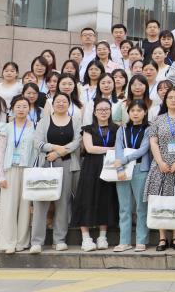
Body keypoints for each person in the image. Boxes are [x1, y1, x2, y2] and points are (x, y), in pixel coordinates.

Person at [29, 89, 81, 253]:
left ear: (69, 104)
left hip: (67, 165)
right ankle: (37, 241)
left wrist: (58, 153)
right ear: (53, 104)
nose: (61, 104)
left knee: (63, 203)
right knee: (41, 202)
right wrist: (54, 147)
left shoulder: (75, 121)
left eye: (64, 101)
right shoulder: (44, 121)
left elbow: (77, 141)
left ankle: (59, 240)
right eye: (58, 101)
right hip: (46, 164)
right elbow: (37, 142)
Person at [71, 98, 120, 251]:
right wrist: (111, 149)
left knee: (106, 199)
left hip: (110, 167)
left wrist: (107, 149)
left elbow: (119, 147)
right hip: (91, 167)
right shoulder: (88, 129)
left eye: (106, 109)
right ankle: (86, 238)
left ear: (110, 111)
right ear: (94, 112)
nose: (103, 112)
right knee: (86, 199)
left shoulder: (117, 128)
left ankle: (102, 237)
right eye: (100, 109)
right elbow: (90, 148)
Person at [146, 86, 175, 251]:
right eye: (170, 97)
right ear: (165, 100)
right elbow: (153, 142)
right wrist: (160, 162)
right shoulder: (157, 119)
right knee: (161, 200)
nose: (173, 100)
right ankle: (162, 238)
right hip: (161, 166)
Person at [0, 96, 36, 254]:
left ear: (29, 109)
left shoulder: (34, 127)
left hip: (27, 169)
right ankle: (8, 242)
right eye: (18, 106)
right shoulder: (5, 128)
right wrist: (1, 176)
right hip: (9, 169)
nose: (21, 109)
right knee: (8, 207)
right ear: (12, 108)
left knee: (25, 207)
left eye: (25, 106)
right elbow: (1, 152)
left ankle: (22, 241)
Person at [112, 100, 151, 252]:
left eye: (139, 110)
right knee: (124, 208)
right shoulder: (122, 129)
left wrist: (123, 160)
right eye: (132, 110)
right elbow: (118, 148)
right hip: (122, 170)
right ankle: (124, 241)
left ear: (145, 112)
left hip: (141, 169)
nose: (135, 113)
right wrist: (120, 168)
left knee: (141, 207)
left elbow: (144, 149)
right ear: (128, 112)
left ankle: (141, 240)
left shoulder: (148, 129)